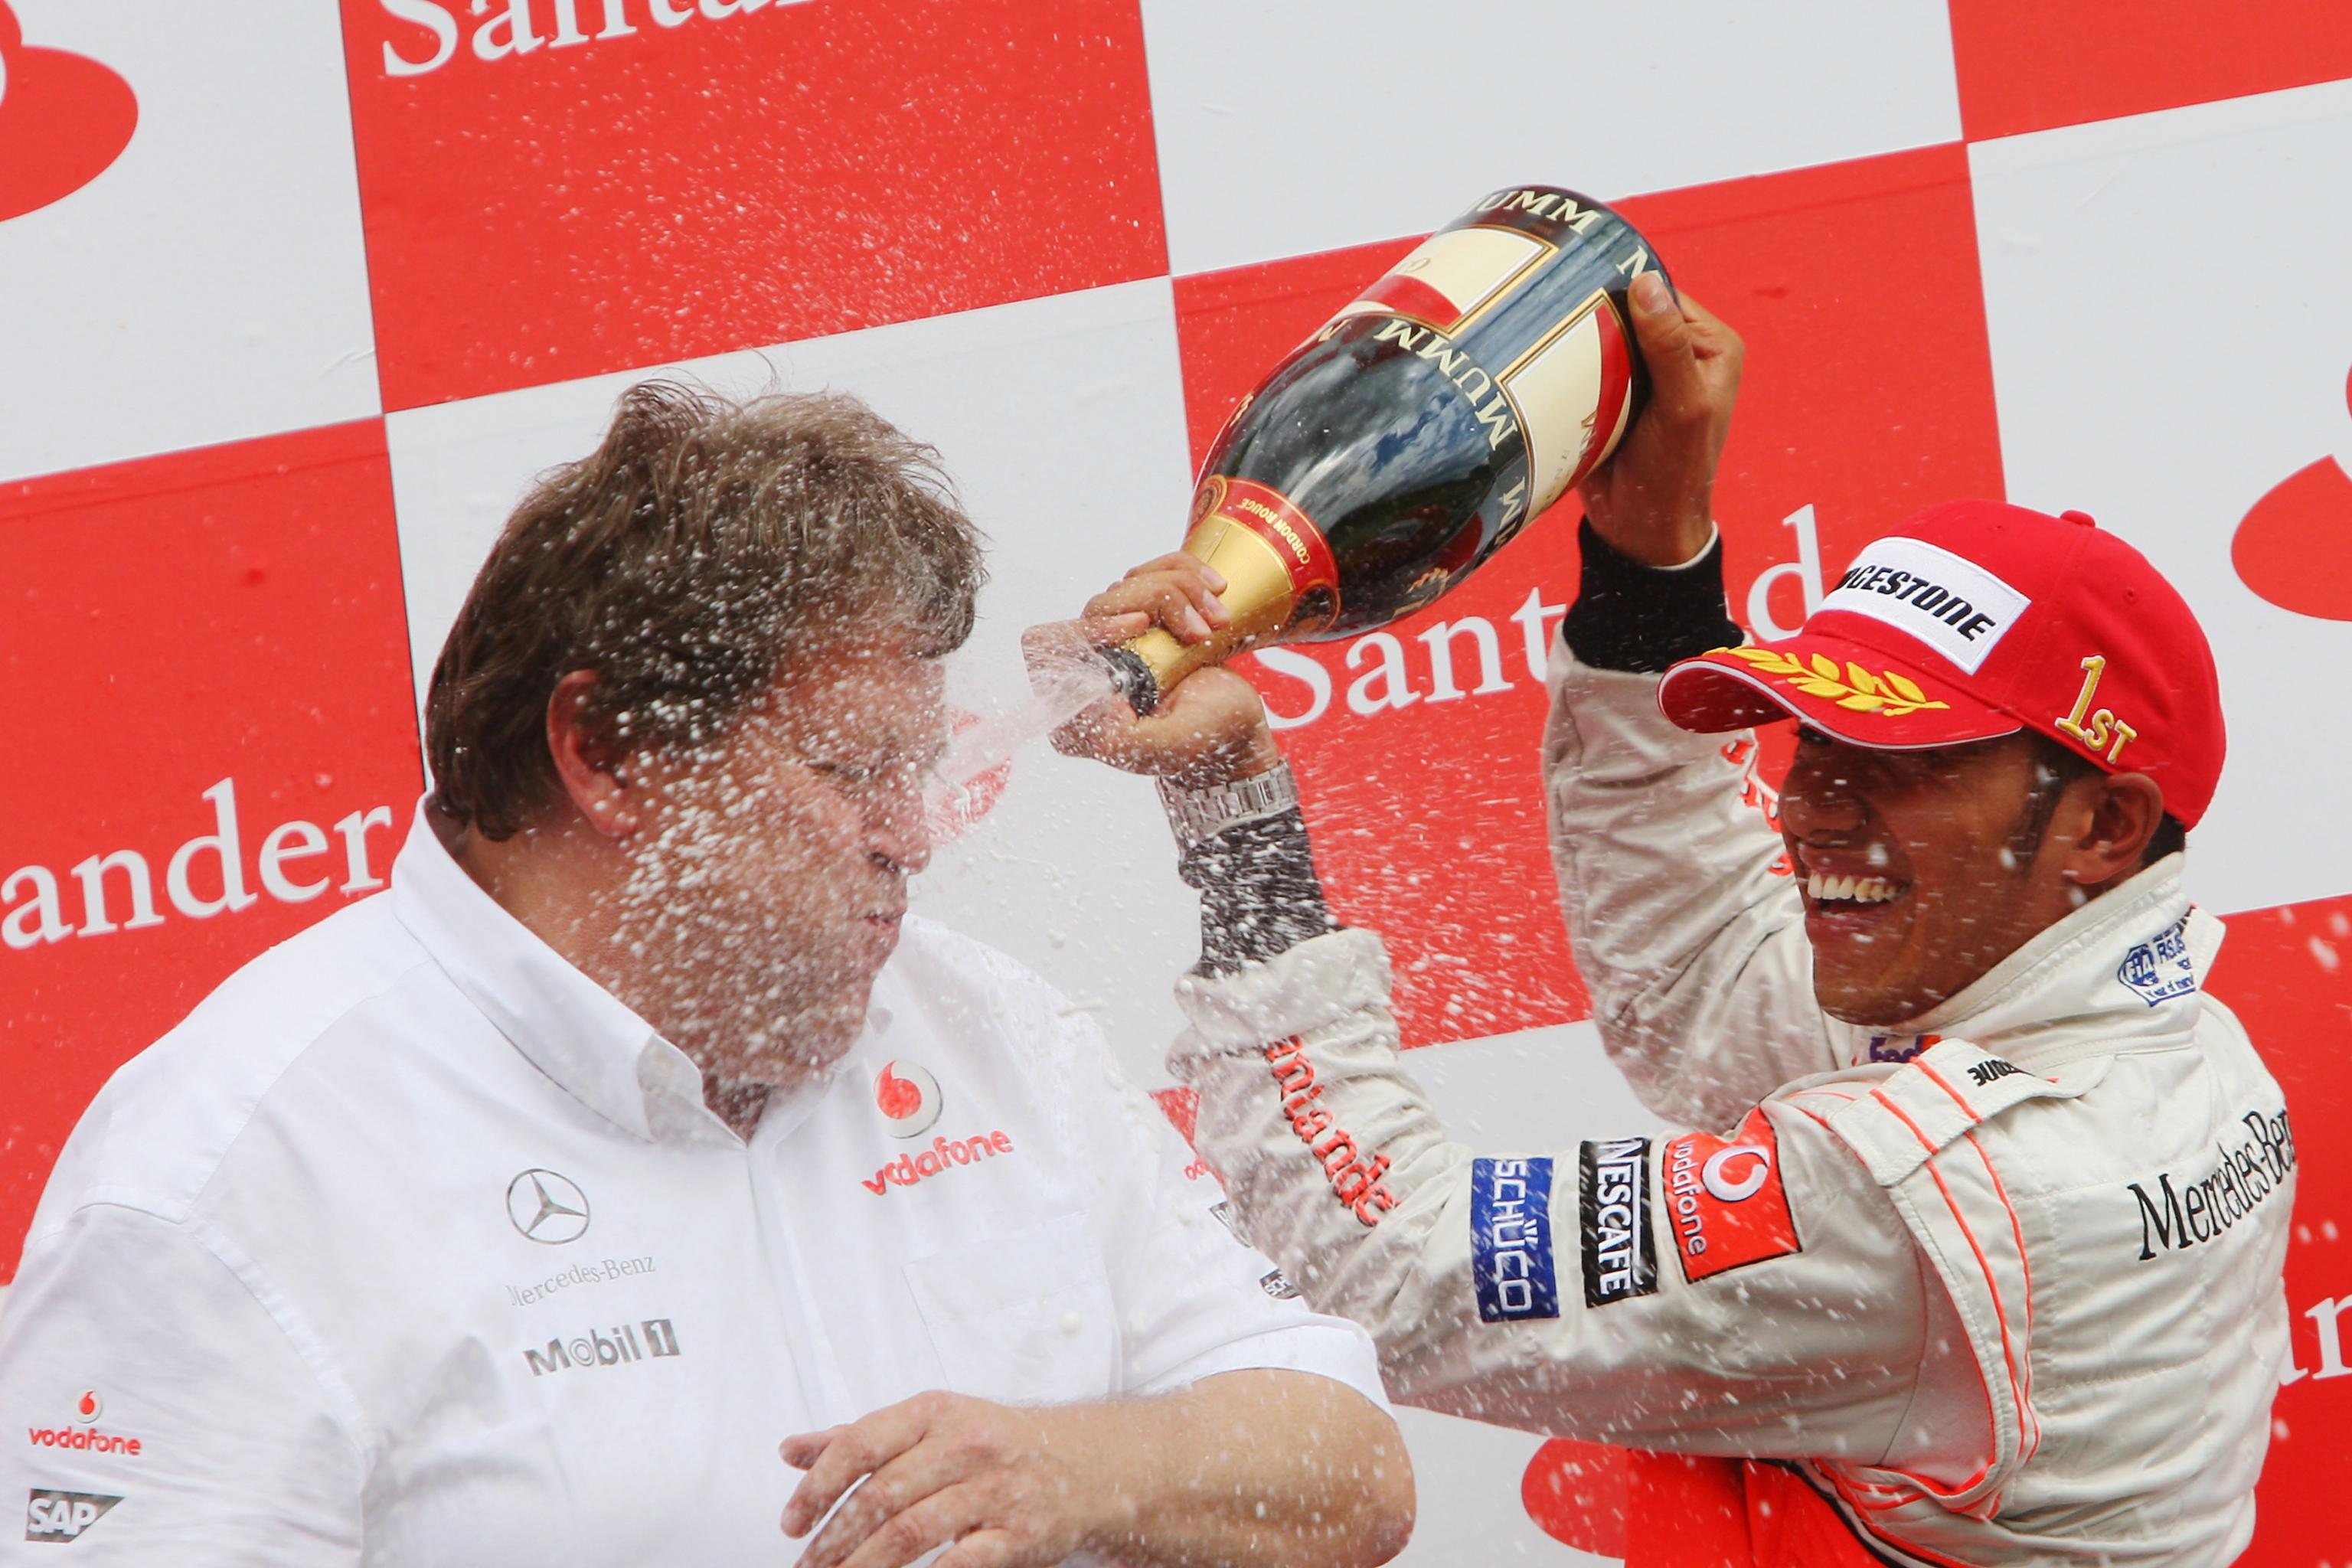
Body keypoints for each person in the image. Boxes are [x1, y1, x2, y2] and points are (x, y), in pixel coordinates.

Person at [0, 383, 1413, 1566]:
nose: (914, 838)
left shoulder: (987, 1026)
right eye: (854, 773)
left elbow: (1356, 1470)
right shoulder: (228, 1171)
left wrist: (1083, 1468)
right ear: (607, 750)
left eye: (914, 770)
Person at [1054, 273, 2294, 1566]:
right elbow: (1704, 978)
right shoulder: (2148, 1033)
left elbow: (1385, 1274)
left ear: (2103, 825)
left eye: (1899, 761)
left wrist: (1238, 818)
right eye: (1811, 738)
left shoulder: (1936, 1187)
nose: (1809, 803)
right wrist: (1653, 558)